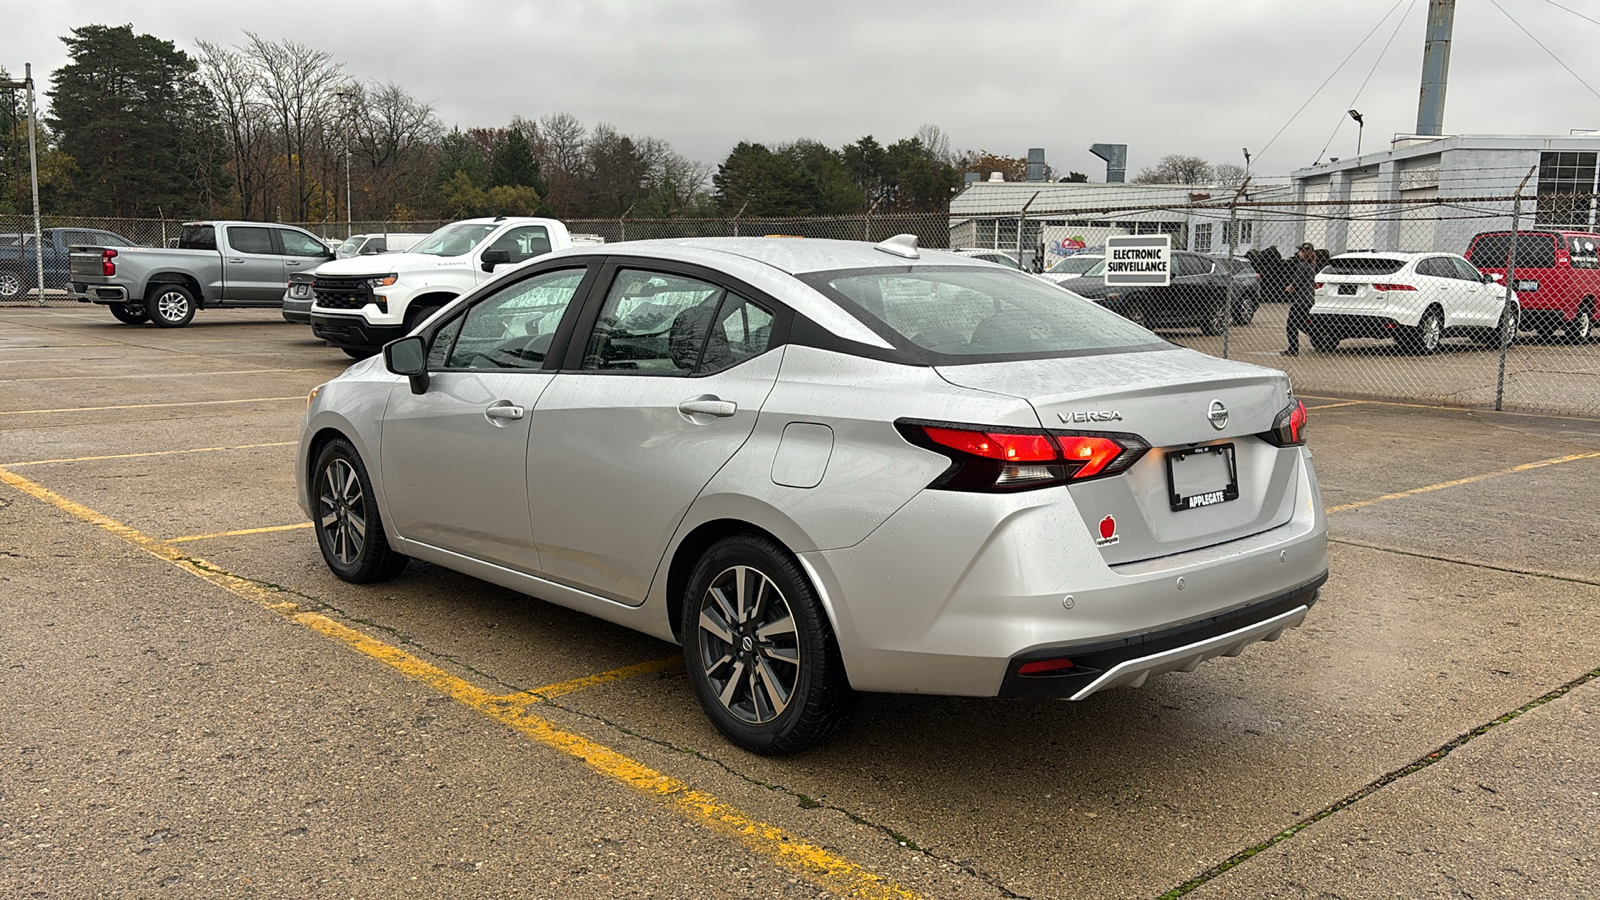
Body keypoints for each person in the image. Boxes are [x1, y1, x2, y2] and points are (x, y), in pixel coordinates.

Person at [1281, 242, 1319, 356]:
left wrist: (1291, 287)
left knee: (1291, 324)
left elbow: (1298, 281)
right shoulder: (1311, 265)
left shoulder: (1302, 265)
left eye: (1300, 251)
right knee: (1301, 322)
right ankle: (1318, 336)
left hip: (1301, 300)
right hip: (1308, 299)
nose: (1298, 253)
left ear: (1304, 253)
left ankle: (1293, 348)